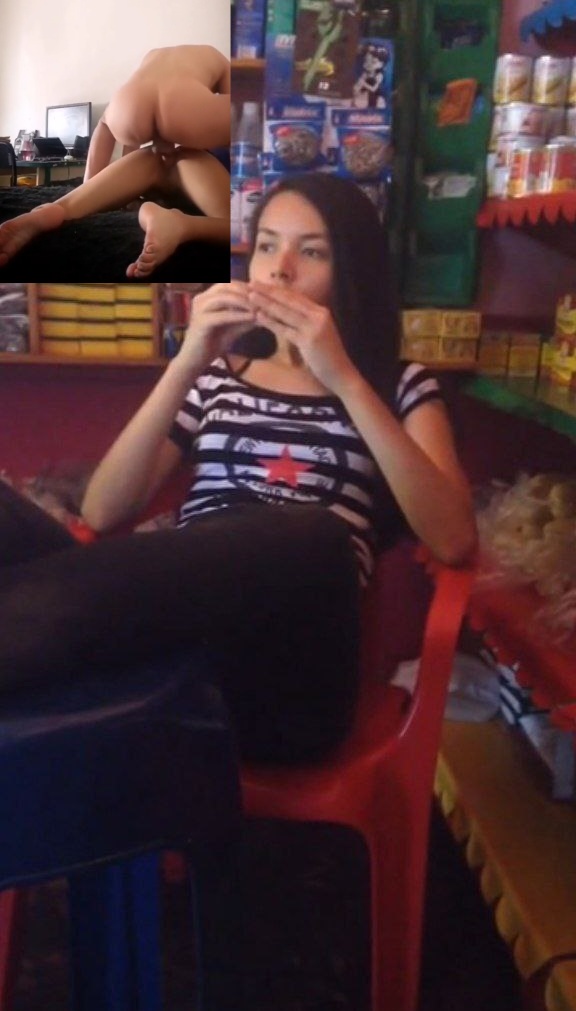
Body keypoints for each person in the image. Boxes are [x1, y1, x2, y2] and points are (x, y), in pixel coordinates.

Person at [0, 173, 476, 763]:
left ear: (352, 271)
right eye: (268, 246)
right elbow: (101, 511)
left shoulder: (398, 385)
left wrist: (345, 380)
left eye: (312, 252)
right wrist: (190, 360)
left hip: (292, 682)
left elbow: (454, 539)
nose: (280, 270)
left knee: (308, 532)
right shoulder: (220, 377)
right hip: (190, 645)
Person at [0, 46, 230, 279]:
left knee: (110, 127)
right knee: (239, 226)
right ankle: (181, 223)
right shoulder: (218, 61)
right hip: (193, 165)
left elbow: (131, 145)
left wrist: (92, 184)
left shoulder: (155, 57)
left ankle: (54, 209)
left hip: (147, 147)